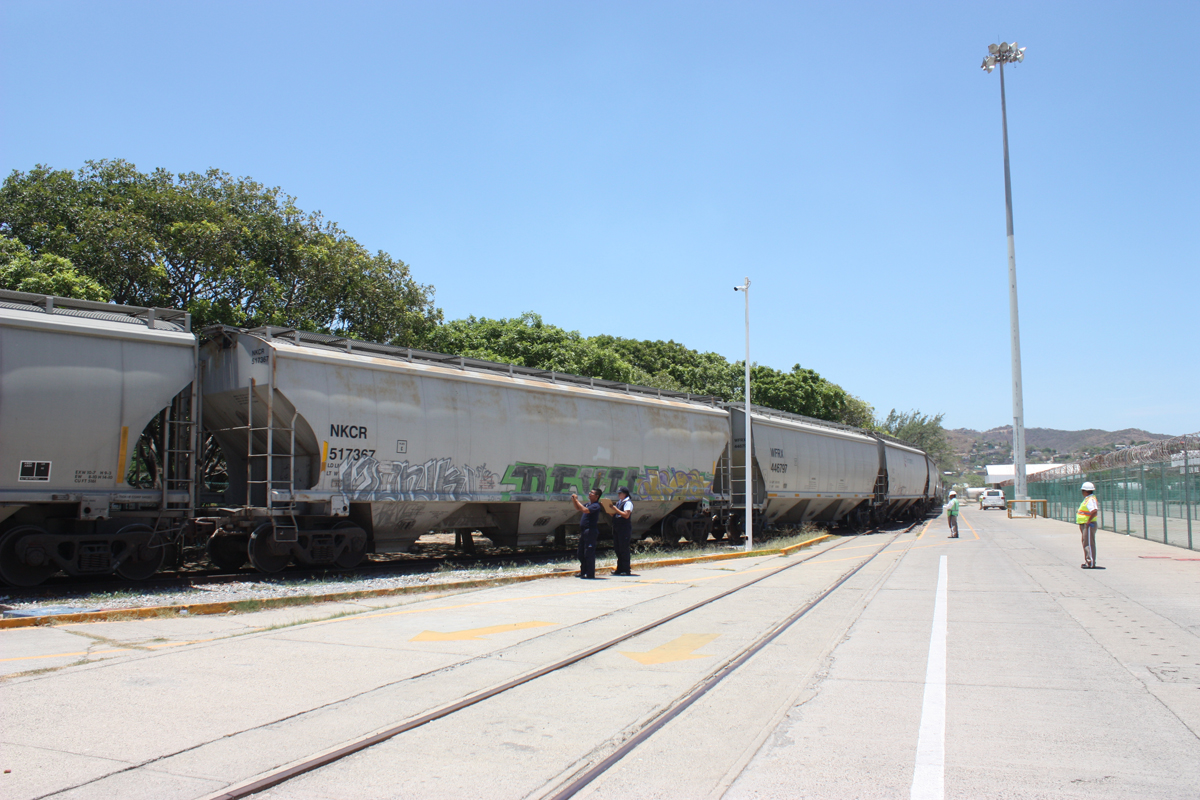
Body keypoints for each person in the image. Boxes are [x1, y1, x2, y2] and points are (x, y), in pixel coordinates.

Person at [570, 487, 603, 579]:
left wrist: (576, 500)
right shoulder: (589, 504)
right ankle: (583, 571)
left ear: (597, 496)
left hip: (590, 531)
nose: (589, 493)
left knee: (589, 553)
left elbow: (585, 510)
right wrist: (574, 500)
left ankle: (590, 573)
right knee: (581, 553)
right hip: (584, 531)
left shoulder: (596, 506)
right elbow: (578, 508)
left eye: (592, 493)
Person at [610, 486, 634, 575]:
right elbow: (616, 514)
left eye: (620, 493)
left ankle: (626, 569)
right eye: (618, 493)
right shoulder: (619, 503)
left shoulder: (628, 503)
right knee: (618, 549)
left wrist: (615, 509)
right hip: (617, 528)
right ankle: (619, 568)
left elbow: (626, 515)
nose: (619, 495)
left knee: (624, 549)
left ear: (625, 494)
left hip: (624, 528)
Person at [1077, 481, 1099, 568]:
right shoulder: (1087, 499)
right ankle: (1088, 561)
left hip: (1088, 525)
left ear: (1085, 491)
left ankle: (1091, 562)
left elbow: (1094, 511)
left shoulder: (1090, 500)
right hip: (1085, 524)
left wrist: (1088, 521)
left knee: (1089, 543)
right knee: (1086, 542)